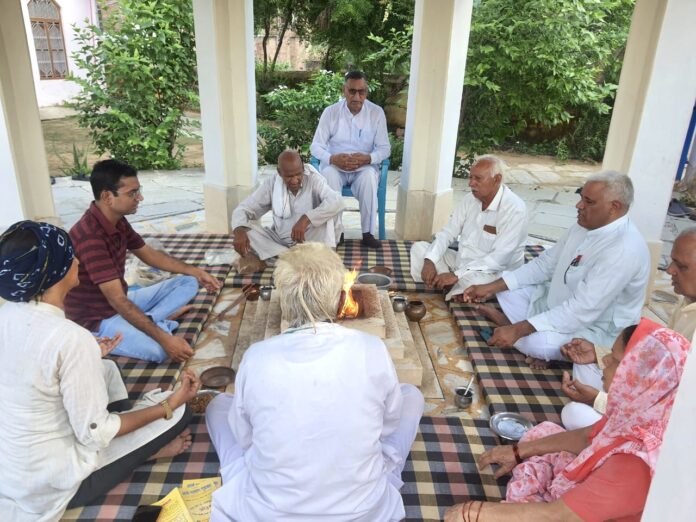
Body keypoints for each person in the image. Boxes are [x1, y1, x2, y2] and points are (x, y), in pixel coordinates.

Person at [205, 242, 425, 521]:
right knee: (412, 396)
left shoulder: (256, 357)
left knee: (218, 406)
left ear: (284, 297)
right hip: (362, 510)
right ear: (338, 296)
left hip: (271, 510)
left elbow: (245, 437)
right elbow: (388, 424)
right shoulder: (371, 348)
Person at [0, 220, 201, 521]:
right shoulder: (70, 338)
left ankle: (134, 444)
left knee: (105, 367)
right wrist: (167, 405)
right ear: (55, 272)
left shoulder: (8, 313)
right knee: (179, 411)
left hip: (15, 470)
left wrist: (89, 353)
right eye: (70, 257)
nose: (78, 262)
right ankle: (140, 451)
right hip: (55, 483)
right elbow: (96, 434)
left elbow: (36, 369)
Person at [444, 318, 690, 522]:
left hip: (576, 514)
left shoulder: (637, 461)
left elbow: (558, 516)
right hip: (593, 499)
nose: (603, 361)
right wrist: (518, 451)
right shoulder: (643, 411)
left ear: (642, 377)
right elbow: (587, 436)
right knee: (546, 434)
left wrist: (472, 513)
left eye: (615, 361)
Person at [460, 171, 650, 369]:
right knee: (505, 288)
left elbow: (581, 310)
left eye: (589, 201)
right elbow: (545, 264)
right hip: (555, 304)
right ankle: (517, 329)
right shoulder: (585, 225)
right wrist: (490, 287)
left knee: (538, 344)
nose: (579, 206)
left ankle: (516, 330)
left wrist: (519, 329)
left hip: (593, 328)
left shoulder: (623, 250)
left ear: (615, 207)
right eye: (580, 198)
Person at [65, 159, 222, 363]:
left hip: (122, 299)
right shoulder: (90, 237)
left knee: (188, 281)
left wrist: (196, 272)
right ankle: (150, 324)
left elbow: (148, 253)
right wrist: (165, 339)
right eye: (132, 193)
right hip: (98, 319)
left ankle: (150, 320)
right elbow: (117, 301)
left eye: (139, 191)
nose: (140, 197)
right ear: (107, 196)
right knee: (161, 351)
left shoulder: (117, 220)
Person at [560, 227, 696, 429]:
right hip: (651, 394)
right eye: (672, 261)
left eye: (681, 266)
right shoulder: (687, 303)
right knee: (586, 364)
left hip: (669, 427)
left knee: (574, 413)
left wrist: (598, 400)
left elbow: (674, 410)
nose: (669, 270)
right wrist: (600, 354)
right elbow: (658, 361)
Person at [410, 155, 527, 300]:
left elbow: (499, 259)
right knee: (420, 249)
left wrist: (457, 275)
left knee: (474, 283)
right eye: (470, 177)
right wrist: (430, 261)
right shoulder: (470, 199)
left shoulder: (514, 209)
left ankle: (449, 283)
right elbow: (448, 232)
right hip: (461, 263)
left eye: (478, 178)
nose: (471, 183)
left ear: (496, 179)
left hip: (494, 273)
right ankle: (449, 285)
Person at [310, 70, 391, 249]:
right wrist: (332, 158)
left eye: (361, 92)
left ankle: (368, 233)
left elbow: (385, 149)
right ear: (344, 90)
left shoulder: (376, 113)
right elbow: (316, 146)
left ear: (366, 92)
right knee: (328, 175)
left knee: (370, 177)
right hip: (336, 167)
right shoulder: (330, 112)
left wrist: (368, 158)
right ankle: (336, 233)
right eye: (352, 91)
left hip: (363, 168)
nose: (356, 96)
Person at [231, 149, 344, 273]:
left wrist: (306, 219)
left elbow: (337, 201)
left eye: (298, 174)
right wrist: (239, 230)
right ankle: (297, 260)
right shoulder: (271, 184)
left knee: (328, 216)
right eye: (289, 176)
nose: (295, 180)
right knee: (245, 229)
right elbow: (243, 209)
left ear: (303, 169)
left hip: (310, 241)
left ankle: (280, 260)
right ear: (279, 172)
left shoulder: (314, 179)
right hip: (280, 243)